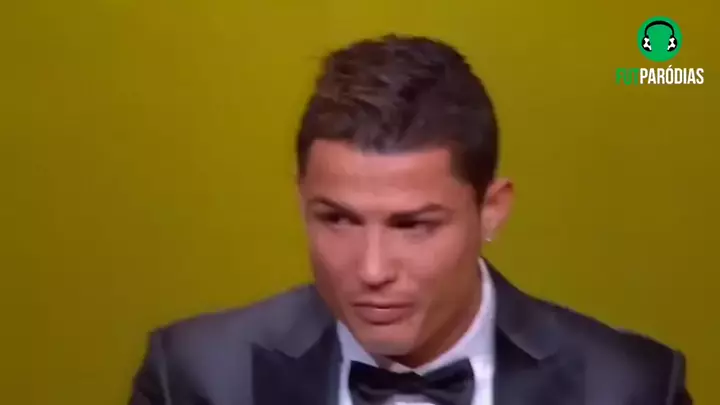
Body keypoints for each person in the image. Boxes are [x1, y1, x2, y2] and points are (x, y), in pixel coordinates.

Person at [128, 34, 692, 405]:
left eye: (414, 226)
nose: (371, 270)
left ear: (491, 211)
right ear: (302, 201)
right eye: (338, 219)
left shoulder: (627, 388)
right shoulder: (198, 378)